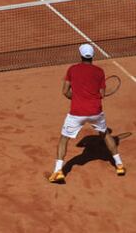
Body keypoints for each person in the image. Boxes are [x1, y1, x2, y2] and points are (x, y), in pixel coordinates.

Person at [48, 43, 126, 183]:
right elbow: (101, 93)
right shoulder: (100, 71)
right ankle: (119, 165)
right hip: (96, 111)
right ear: (92, 56)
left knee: (64, 139)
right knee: (105, 135)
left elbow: (65, 91)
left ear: (81, 55)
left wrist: (77, 98)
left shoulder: (72, 69)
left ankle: (57, 171)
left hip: (77, 112)